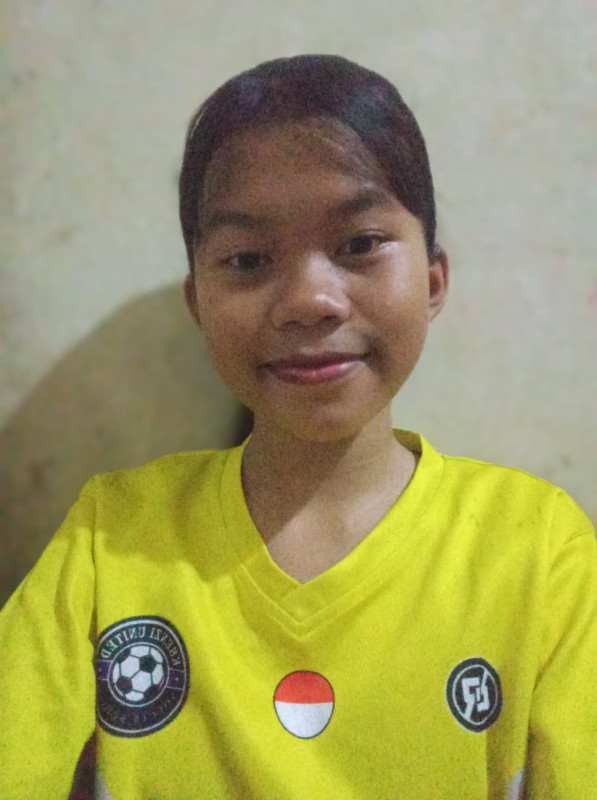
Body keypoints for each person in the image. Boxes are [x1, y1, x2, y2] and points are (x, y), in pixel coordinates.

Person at [0, 54, 595, 800]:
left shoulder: (540, 551)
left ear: (433, 279)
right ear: (198, 303)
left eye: (360, 244)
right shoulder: (110, 539)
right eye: (249, 259)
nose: (311, 300)